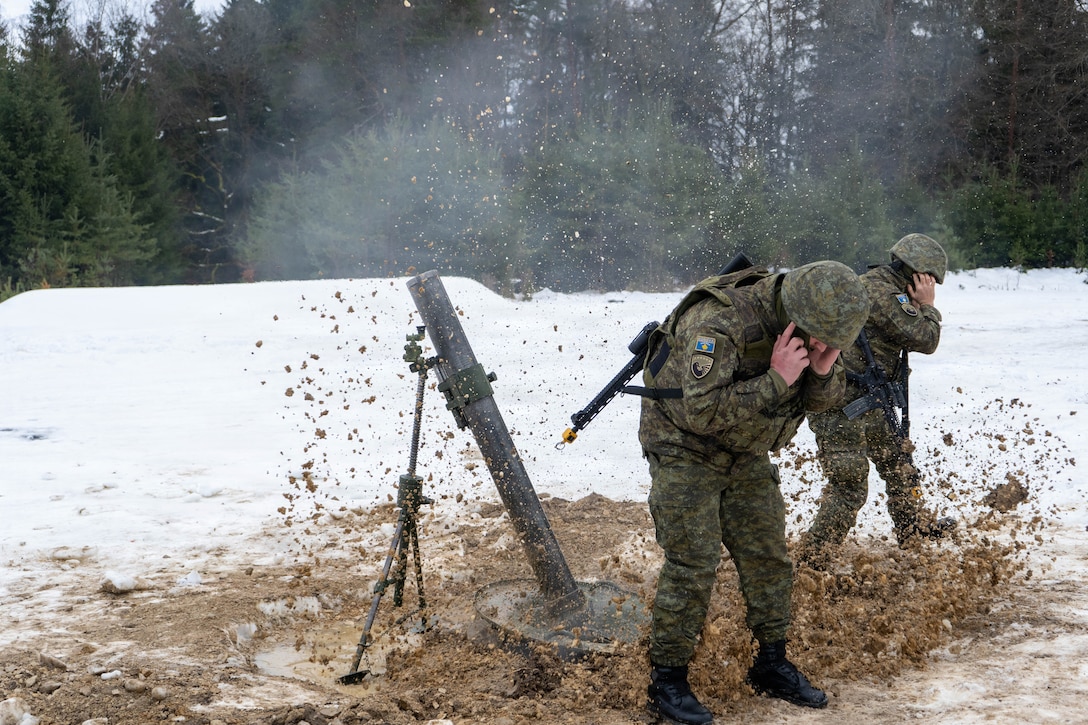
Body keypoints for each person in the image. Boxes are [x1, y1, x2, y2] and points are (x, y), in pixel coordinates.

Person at [636, 260, 870, 723]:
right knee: (693, 560)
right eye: (819, 337)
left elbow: (823, 400)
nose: (823, 344)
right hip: (686, 448)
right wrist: (776, 379)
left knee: (768, 556)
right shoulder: (719, 324)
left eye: (830, 341)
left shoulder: (815, 321)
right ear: (795, 312)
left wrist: (821, 371)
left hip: (745, 451)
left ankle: (770, 663)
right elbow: (700, 414)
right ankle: (667, 680)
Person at [799, 234, 952, 570]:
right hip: (840, 405)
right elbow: (926, 339)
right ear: (918, 274)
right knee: (849, 487)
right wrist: (927, 305)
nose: (931, 285)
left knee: (901, 466)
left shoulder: (884, 287)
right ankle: (811, 564)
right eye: (930, 279)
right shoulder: (883, 293)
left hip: (867, 401)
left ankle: (913, 531)